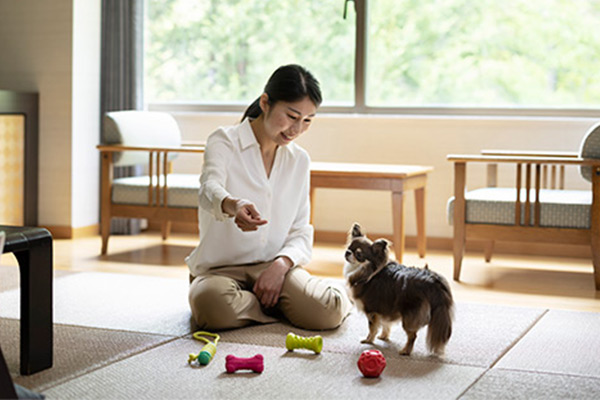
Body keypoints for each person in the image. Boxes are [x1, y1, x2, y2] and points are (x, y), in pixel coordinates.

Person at [186, 64, 352, 331]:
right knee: (212, 307)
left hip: (276, 268)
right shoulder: (224, 140)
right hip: (220, 271)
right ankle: (274, 306)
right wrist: (233, 204)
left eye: (307, 120)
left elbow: (300, 230)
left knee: (328, 312)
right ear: (265, 102)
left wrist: (281, 265)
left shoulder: (299, 160)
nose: (297, 129)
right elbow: (208, 189)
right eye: (291, 116)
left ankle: (266, 302)